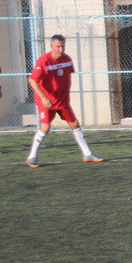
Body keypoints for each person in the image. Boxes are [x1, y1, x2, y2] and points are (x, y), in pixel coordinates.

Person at [26, 35, 104, 167]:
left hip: (62, 101)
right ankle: (31, 157)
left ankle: (87, 154)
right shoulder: (43, 61)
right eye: (58, 47)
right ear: (51, 46)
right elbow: (32, 80)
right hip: (46, 101)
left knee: (75, 124)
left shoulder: (67, 59)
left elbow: (64, 77)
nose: (60, 49)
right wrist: (44, 97)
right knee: (45, 127)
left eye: (62, 46)